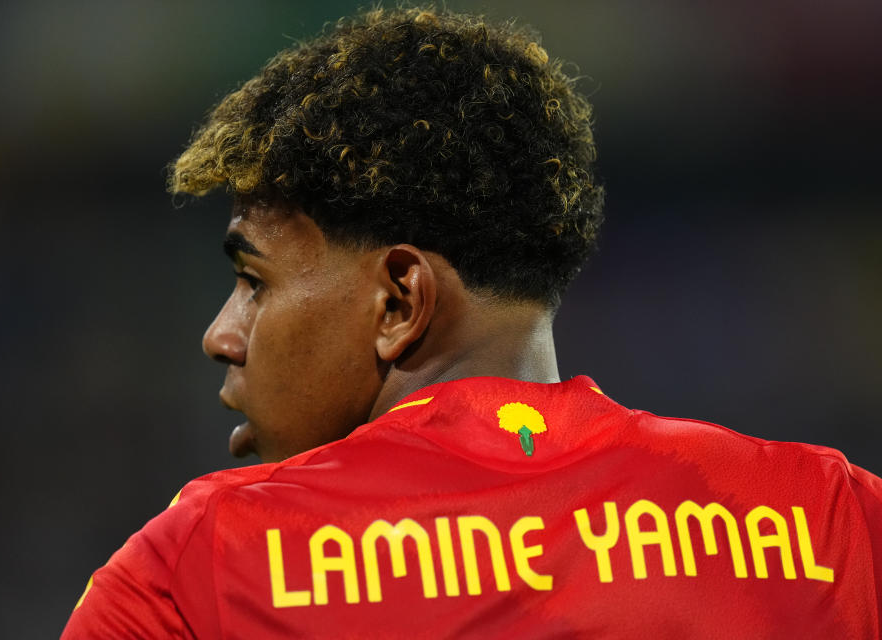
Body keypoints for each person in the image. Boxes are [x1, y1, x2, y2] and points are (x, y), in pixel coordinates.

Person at [62, 6, 882, 638]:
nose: (222, 334)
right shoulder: (829, 519)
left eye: (252, 282)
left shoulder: (203, 568)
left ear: (399, 302)